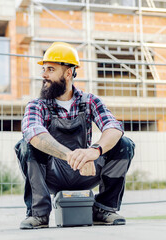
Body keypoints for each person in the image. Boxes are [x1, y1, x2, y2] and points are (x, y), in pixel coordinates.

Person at [14, 42, 135, 229]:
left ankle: (103, 209)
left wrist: (94, 151)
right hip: (53, 174)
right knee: (26, 145)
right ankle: (38, 214)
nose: (44, 75)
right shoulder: (37, 105)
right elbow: (33, 132)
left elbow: (113, 127)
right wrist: (73, 156)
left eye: (51, 69)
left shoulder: (90, 101)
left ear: (68, 73)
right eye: (44, 69)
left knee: (124, 143)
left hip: (86, 173)